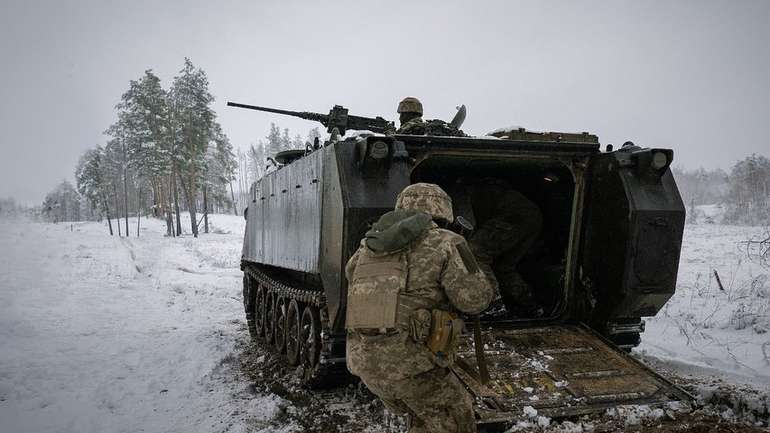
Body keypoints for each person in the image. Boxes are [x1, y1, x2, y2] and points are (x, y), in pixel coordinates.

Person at [345, 183, 493, 433]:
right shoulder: (448, 242)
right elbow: (475, 300)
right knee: (457, 420)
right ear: (443, 211)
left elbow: (352, 276)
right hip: (413, 368)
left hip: (366, 364)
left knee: (425, 419)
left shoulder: (368, 245)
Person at [459, 178, 544, 316]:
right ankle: (530, 305)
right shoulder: (481, 190)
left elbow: (467, 225)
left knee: (474, 253)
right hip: (532, 215)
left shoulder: (461, 193)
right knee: (503, 267)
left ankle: (493, 304)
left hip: (512, 216)